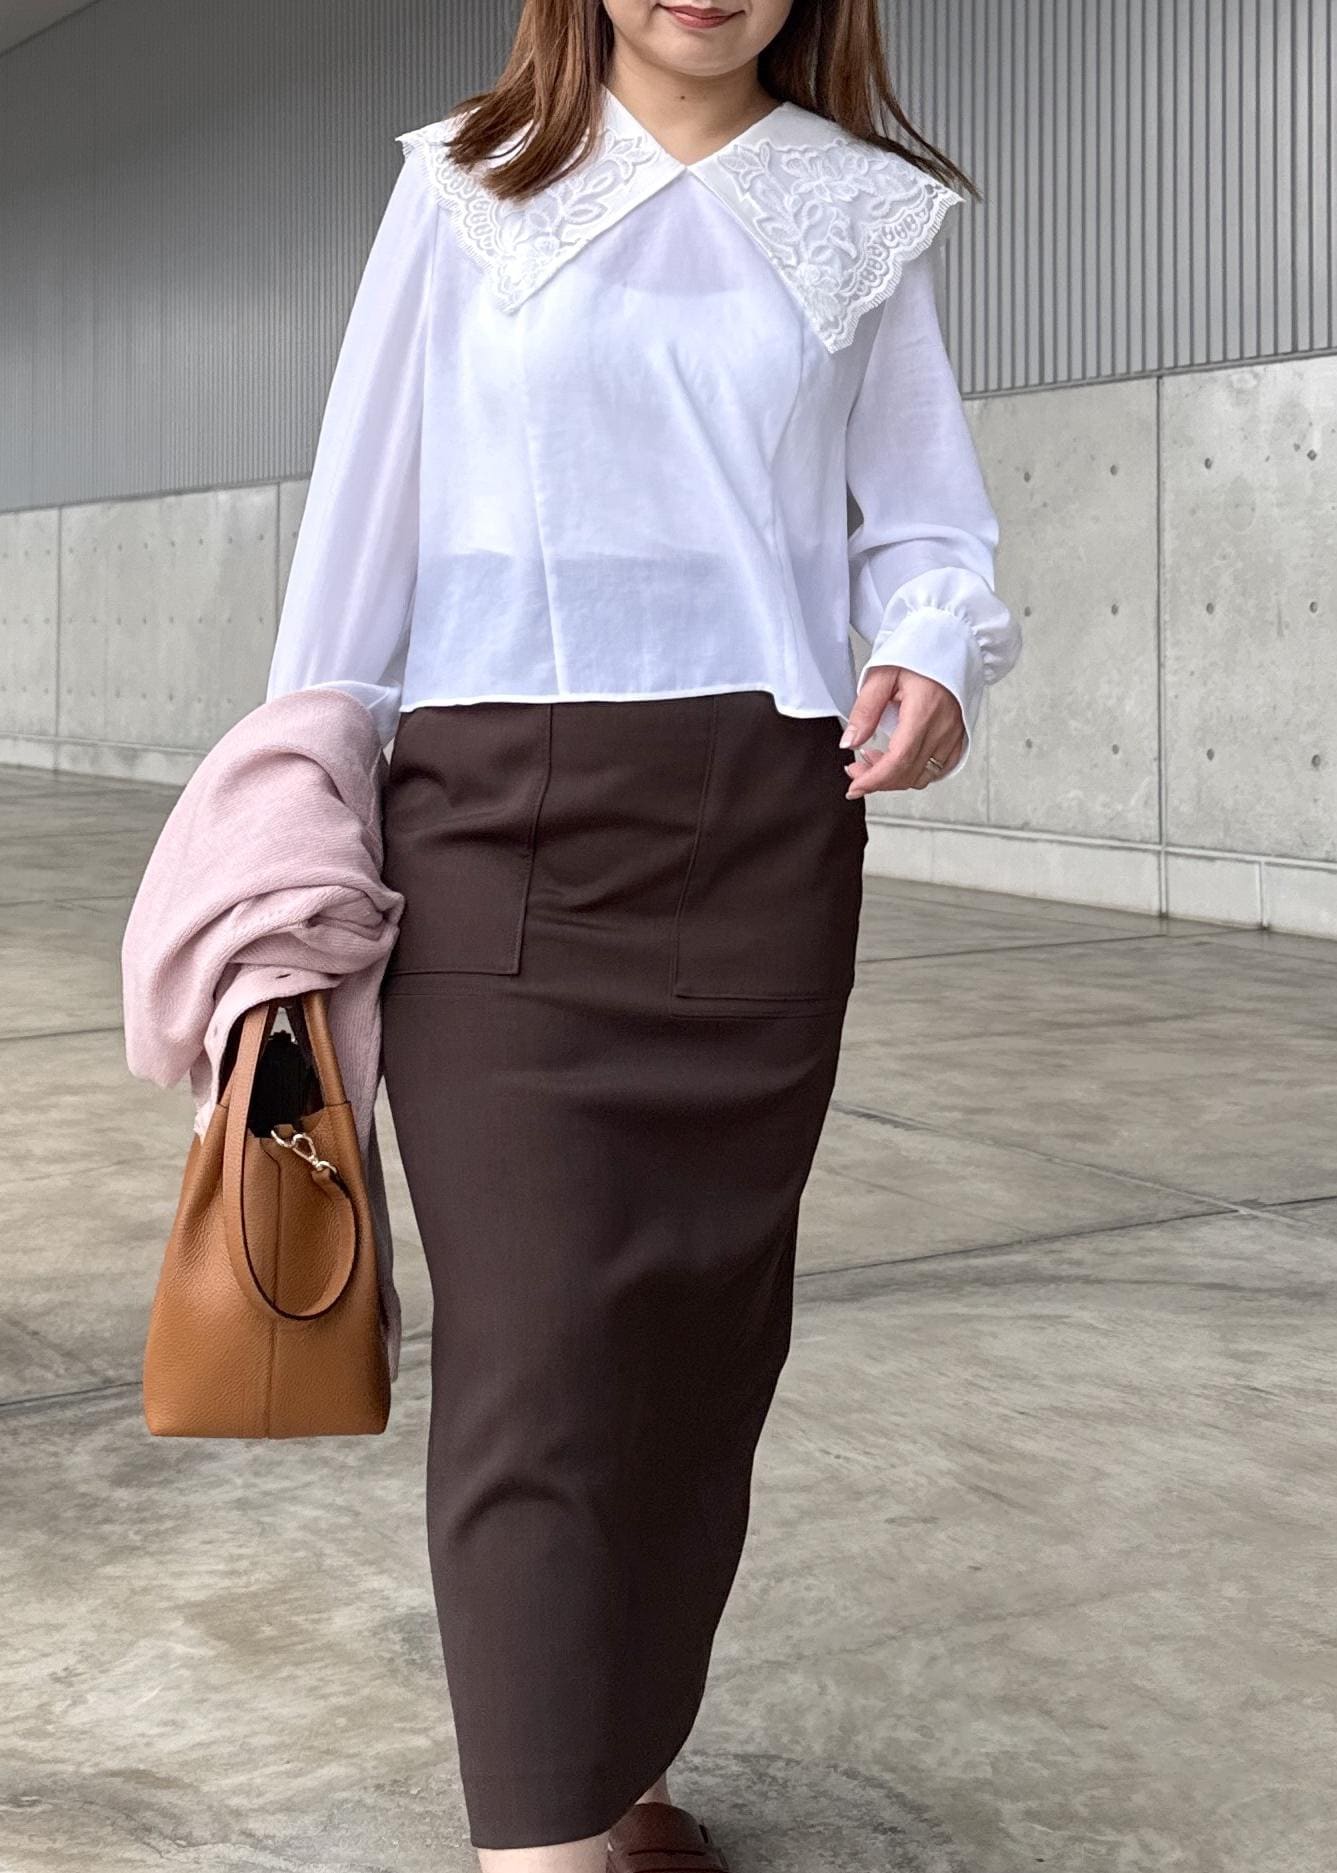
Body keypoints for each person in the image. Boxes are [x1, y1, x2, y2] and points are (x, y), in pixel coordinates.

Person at [265, 1, 1022, 1867]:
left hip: (763, 827)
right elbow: (360, 525)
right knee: (536, 1353)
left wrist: (931, 651)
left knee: (694, 1355)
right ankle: (540, 1842)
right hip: (492, 822)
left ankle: (617, 1768)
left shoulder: (857, 208)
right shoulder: (465, 185)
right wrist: (296, 800)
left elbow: (925, 527)